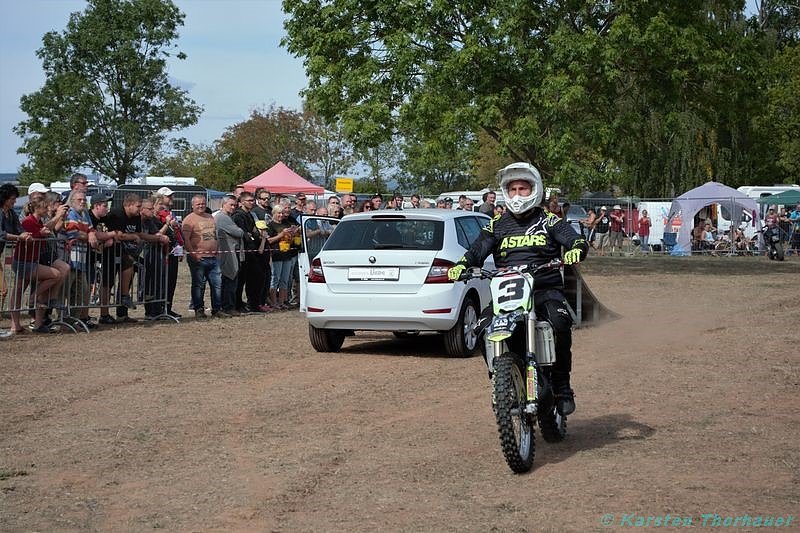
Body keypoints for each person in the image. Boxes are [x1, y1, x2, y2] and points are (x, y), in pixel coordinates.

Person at [447, 162, 588, 416]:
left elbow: (574, 239)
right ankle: (501, 380)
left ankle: (562, 386)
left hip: (544, 289)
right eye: (512, 189)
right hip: (508, 293)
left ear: (535, 190)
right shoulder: (497, 224)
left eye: (523, 189)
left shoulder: (549, 221)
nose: (517, 194)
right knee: (482, 328)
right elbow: (477, 250)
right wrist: (462, 265)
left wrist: (577, 248)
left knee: (560, 323)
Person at [182, 195, 224, 318]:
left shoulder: (210, 217)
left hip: (213, 257)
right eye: (198, 204)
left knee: (217, 284)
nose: (201, 206)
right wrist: (193, 254)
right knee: (198, 285)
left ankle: (217, 309)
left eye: (203, 203)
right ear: (192, 205)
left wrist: (217, 250)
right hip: (198, 258)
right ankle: (198, 309)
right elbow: (186, 240)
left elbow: (214, 235)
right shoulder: (189, 219)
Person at [153, 187, 183, 318]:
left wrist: (180, 245)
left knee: (171, 280)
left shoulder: (170, 213)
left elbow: (176, 231)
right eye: (168, 196)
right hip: (162, 251)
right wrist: (168, 223)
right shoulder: (158, 215)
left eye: (172, 196)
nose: (171, 198)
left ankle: (168, 307)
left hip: (173, 250)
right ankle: (160, 308)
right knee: (163, 281)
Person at [215, 194, 245, 316]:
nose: (233, 207)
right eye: (231, 205)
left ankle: (229, 305)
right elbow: (239, 232)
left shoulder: (228, 217)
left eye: (235, 205)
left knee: (232, 279)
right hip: (227, 253)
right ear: (224, 204)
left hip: (231, 252)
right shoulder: (222, 217)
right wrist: (239, 230)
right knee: (230, 279)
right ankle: (228, 306)